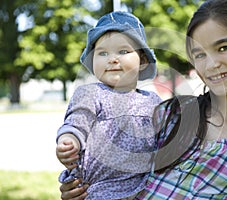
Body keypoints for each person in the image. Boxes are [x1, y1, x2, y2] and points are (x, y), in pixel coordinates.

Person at [59, 0, 227, 199]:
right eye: (199, 54)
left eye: (223, 48)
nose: (211, 64)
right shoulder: (171, 115)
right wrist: (82, 186)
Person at [56, 11, 162, 200]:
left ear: (143, 60)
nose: (112, 59)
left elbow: (168, 137)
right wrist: (68, 141)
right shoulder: (90, 93)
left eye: (123, 51)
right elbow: (76, 122)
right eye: (103, 53)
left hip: (145, 187)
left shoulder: (153, 101)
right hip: (101, 189)